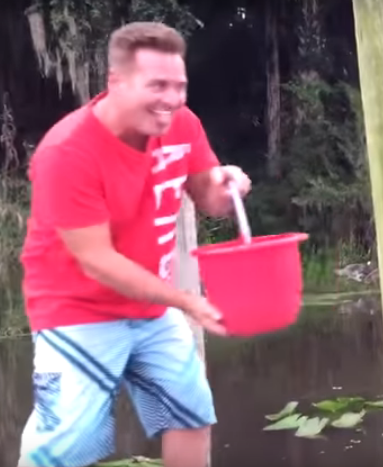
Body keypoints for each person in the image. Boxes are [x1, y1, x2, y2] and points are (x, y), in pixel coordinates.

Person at [16, 22, 249, 467]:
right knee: (64, 447)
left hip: (150, 310)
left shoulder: (182, 123)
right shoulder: (67, 152)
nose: (171, 98)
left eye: (179, 86)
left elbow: (206, 194)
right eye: (157, 85)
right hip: (76, 311)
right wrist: (185, 300)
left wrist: (227, 184)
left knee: (191, 413)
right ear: (116, 83)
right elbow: (98, 261)